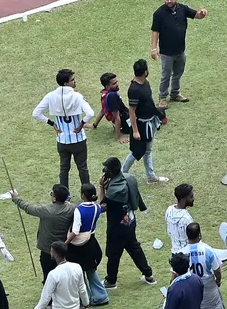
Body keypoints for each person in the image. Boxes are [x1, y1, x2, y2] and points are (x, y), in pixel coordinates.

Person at [34, 70, 96, 188]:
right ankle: (87, 194)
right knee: (83, 168)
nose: (75, 81)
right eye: (72, 80)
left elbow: (36, 113)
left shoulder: (50, 96)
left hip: (62, 140)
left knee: (64, 169)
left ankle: (64, 195)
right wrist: (82, 123)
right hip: (78, 140)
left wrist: (52, 123)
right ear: (66, 83)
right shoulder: (77, 96)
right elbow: (90, 113)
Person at [99, 158, 154, 288]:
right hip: (130, 221)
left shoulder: (115, 191)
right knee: (135, 248)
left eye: (106, 169)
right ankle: (148, 275)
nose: (104, 171)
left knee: (113, 254)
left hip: (117, 227)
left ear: (111, 172)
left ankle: (111, 281)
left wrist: (101, 186)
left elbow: (102, 206)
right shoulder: (129, 178)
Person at [152, 0, 207, 97]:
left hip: (180, 50)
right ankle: (162, 97)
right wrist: (153, 48)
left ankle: (175, 93)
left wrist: (202, 13)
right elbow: (155, 31)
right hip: (167, 52)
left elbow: (197, 15)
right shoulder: (159, 14)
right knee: (166, 75)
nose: (169, 1)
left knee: (178, 73)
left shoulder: (183, 9)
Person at [8, 186, 74, 280]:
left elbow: (29, 208)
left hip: (48, 249)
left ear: (54, 198)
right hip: (64, 248)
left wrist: (16, 198)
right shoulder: (71, 208)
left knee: (48, 276)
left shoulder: (46, 210)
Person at [123, 59, 166, 183]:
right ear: (145, 71)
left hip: (149, 121)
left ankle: (150, 176)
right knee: (137, 151)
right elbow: (132, 111)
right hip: (142, 125)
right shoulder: (134, 90)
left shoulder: (144, 83)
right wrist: (135, 131)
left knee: (147, 151)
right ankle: (122, 173)